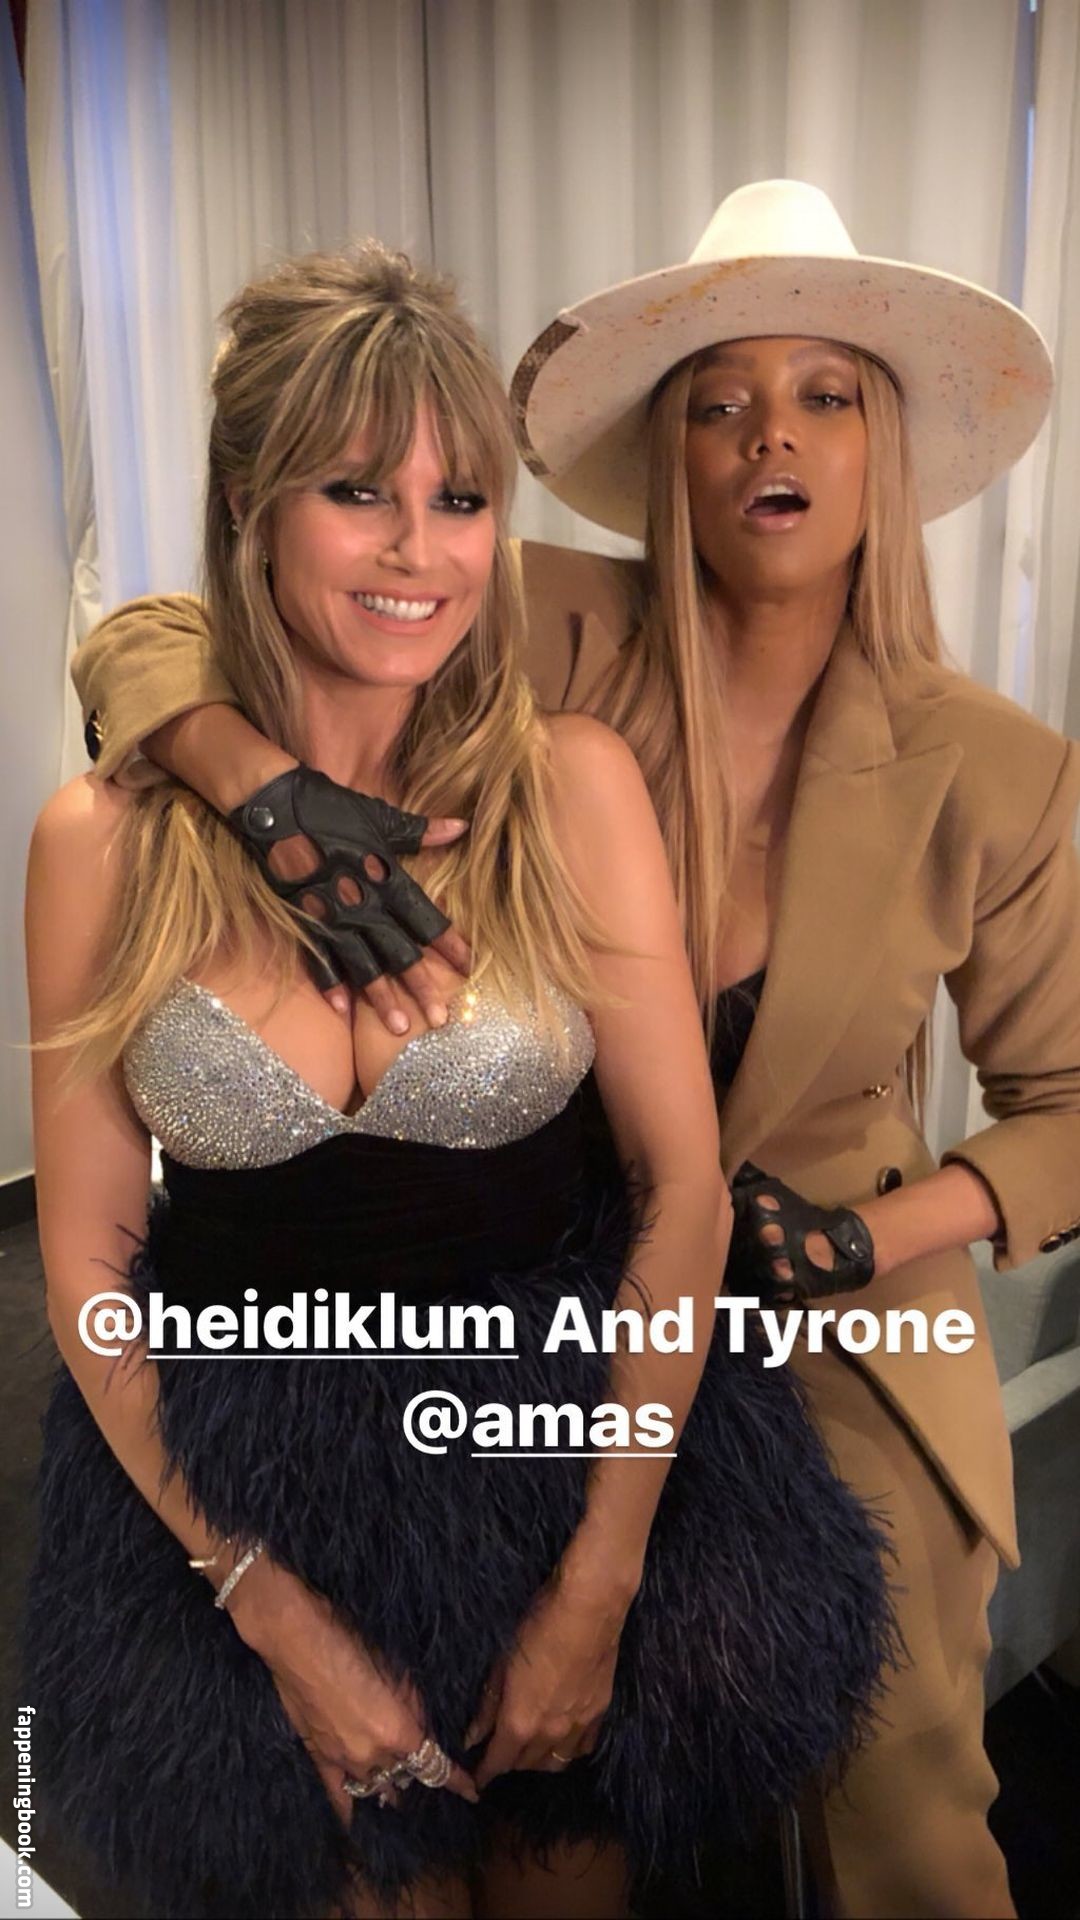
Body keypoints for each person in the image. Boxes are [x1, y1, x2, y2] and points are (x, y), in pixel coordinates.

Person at [71, 181, 1080, 1920]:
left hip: (833, 1307)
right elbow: (165, 626)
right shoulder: (536, 617)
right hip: (533, 1286)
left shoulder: (1000, 767)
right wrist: (254, 782)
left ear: (888, 448)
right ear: (669, 456)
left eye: (826, 397)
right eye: (721, 402)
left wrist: (870, 1238)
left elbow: (1065, 1103)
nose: (773, 436)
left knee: (903, 1784)